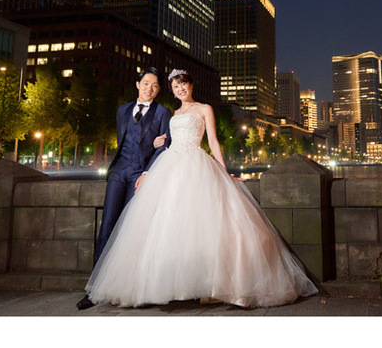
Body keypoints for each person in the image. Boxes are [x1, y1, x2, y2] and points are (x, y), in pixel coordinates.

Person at [83, 69, 318, 309]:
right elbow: (164, 142)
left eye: (183, 84)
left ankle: (202, 285)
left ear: (191, 85)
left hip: (195, 162)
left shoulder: (205, 109)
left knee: (198, 224)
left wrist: (225, 173)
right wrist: (155, 144)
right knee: (166, 225)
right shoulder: (170, 113)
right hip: (170, 163)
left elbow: (213, 142)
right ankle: (170, 285)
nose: (180, 89)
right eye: (175, 86)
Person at [77, 67, 171, 310]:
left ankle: (126, 286)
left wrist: (149, 168)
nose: (150, 88)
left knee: (130, 228)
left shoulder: (163, 112)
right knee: (107, 224)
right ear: (137, 84)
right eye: (146, 83)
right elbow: (123, 139)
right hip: (119, 171)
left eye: (155, 85)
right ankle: (94, 288)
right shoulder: (123, 110)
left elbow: (165, 145)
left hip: (141, 174)